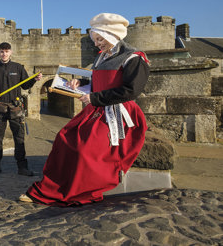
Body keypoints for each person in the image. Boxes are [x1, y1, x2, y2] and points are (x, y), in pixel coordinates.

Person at [20, 13, 150, 206]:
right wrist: (80, 82)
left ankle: (80, 191)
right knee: (64, 138)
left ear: (112, 34)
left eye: (99, 39)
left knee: (85, 149)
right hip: (97, 110)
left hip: (118, 114)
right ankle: (55, 187)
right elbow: (97, 80)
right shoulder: (101, 57)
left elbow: (130, 90)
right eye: (95, 40)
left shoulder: (134, 58)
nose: (97, 44)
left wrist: (94, 98)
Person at [0, 42, 42, 176]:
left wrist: (34, 80)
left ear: (11, 52)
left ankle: (22, 167)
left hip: (15, 108)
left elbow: (26, 85)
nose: (4, 54)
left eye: (7, 51)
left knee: (19, 137)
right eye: (2, 51)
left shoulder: (18, 67)